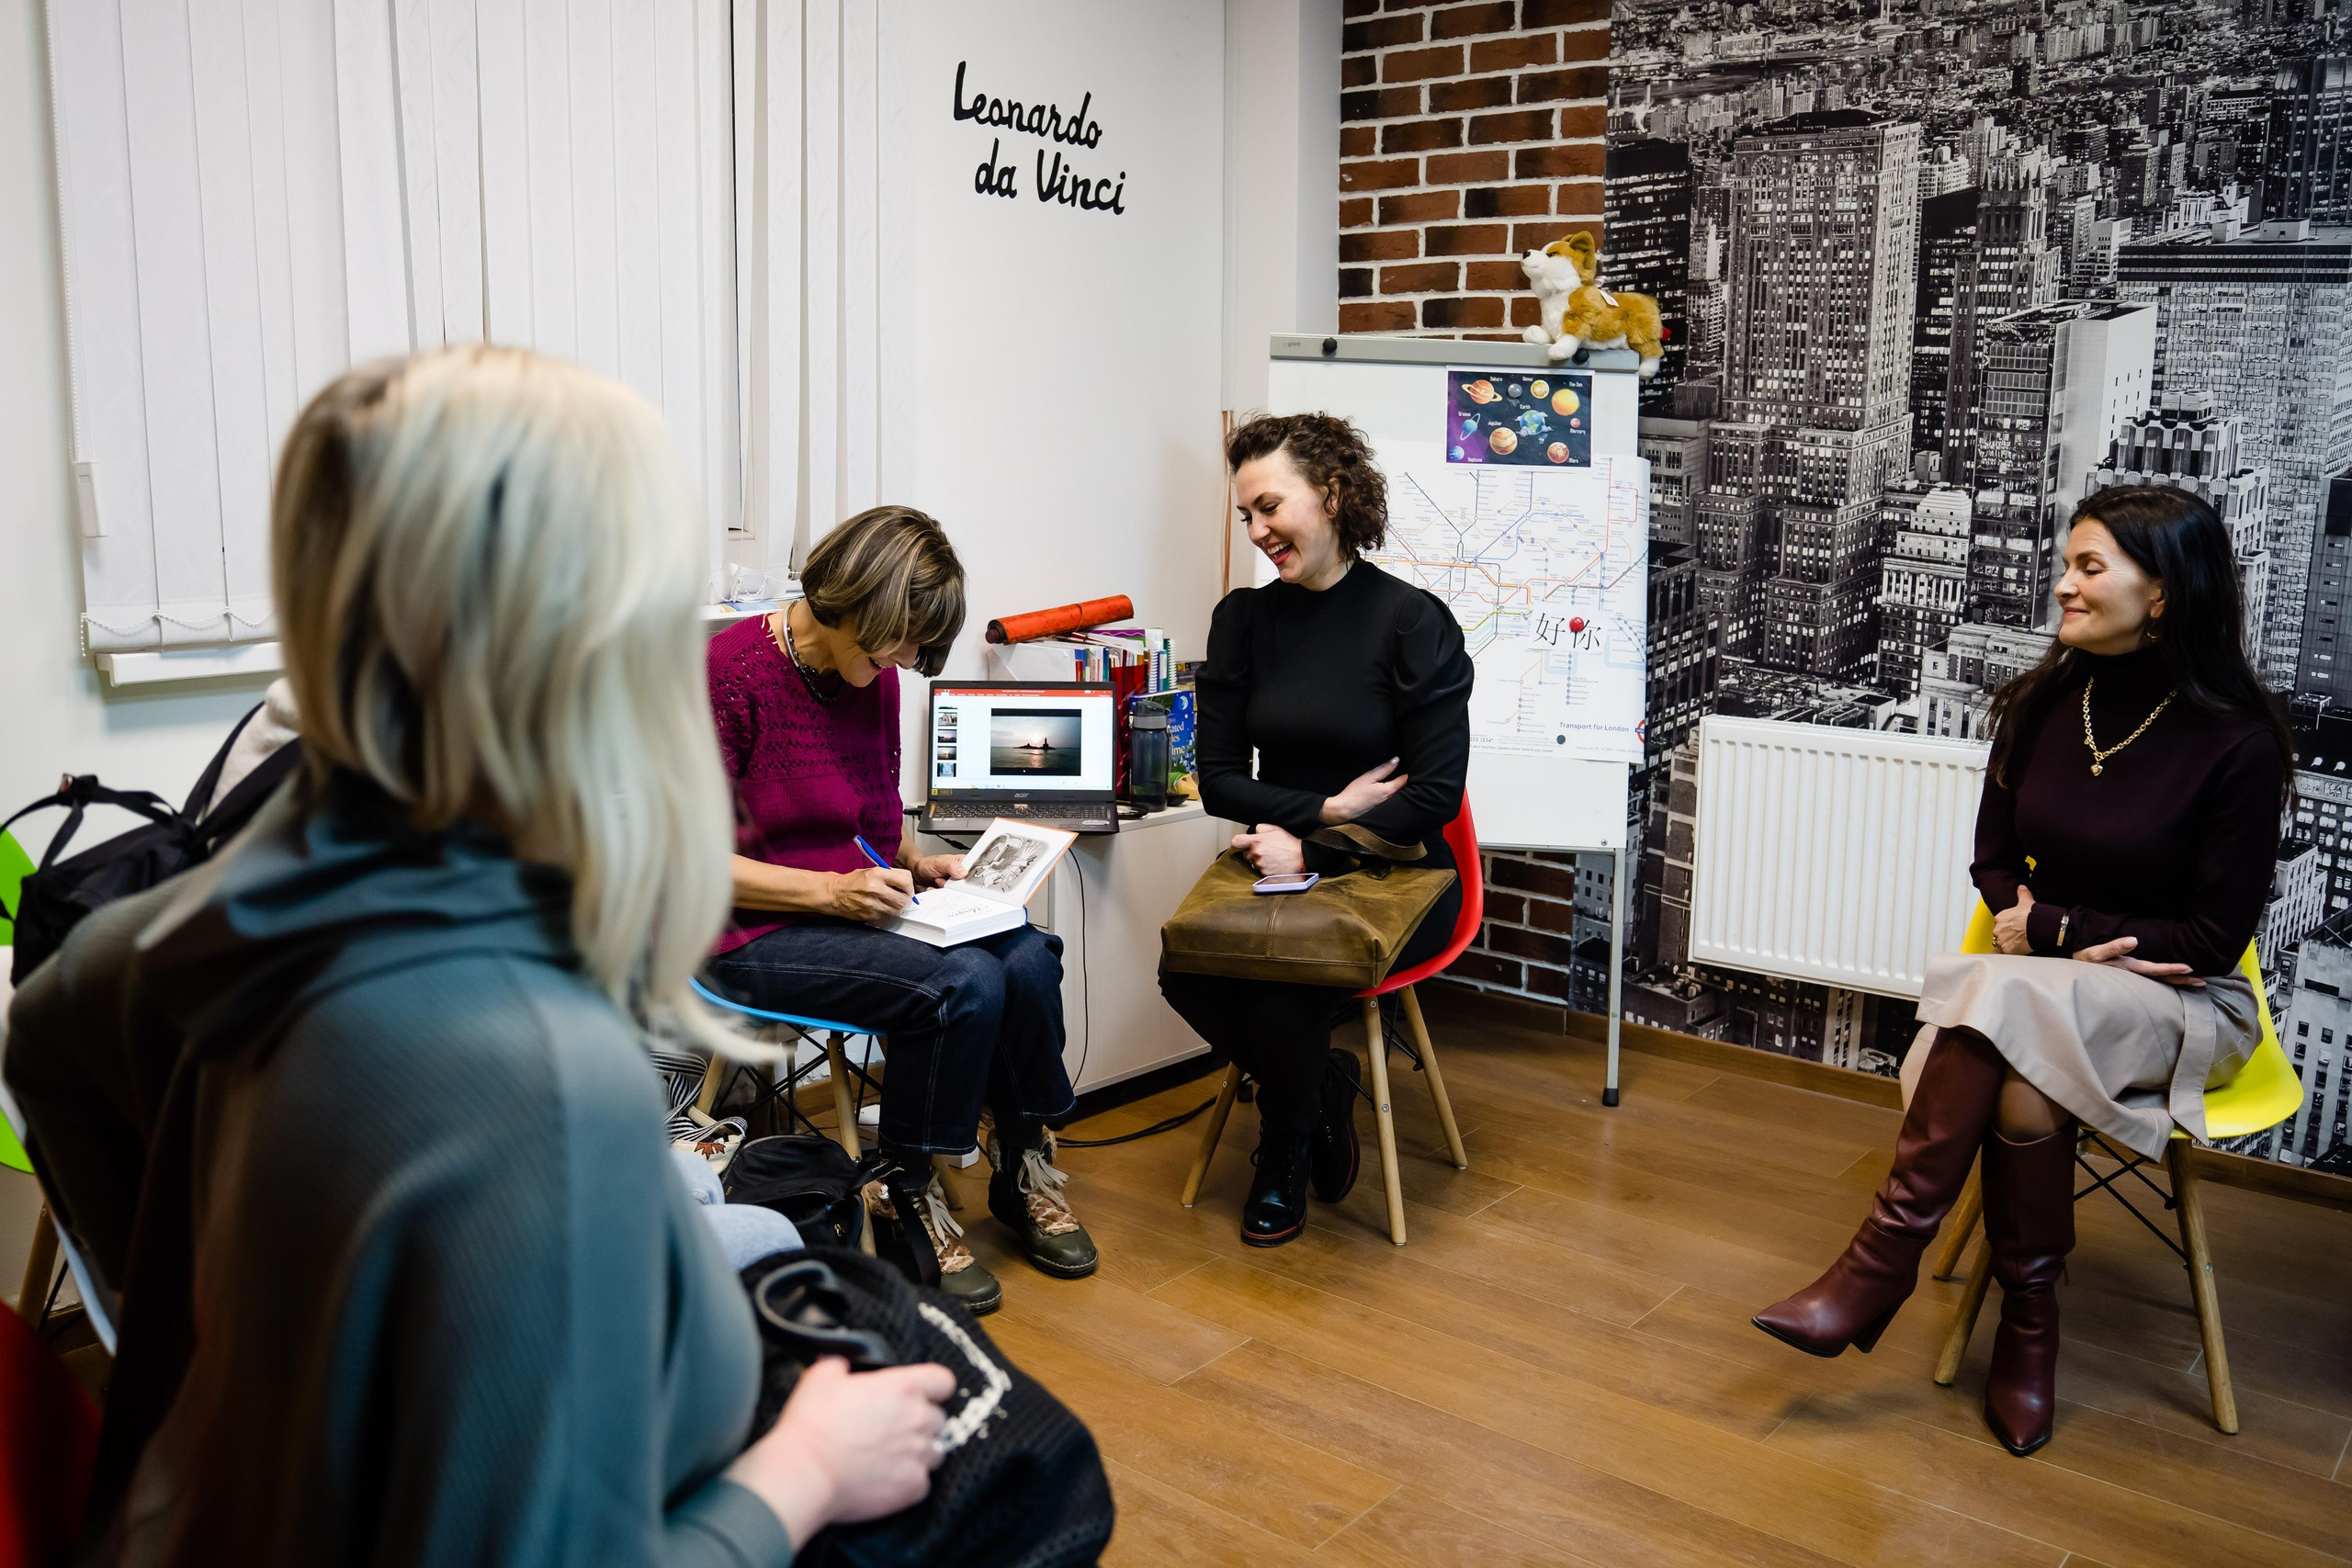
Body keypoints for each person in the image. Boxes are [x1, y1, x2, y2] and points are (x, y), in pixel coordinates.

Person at [6, 344, 956, 1564]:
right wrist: (804, 1470)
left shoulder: (187, 922)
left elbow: (45, 1034)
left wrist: (211, 1325)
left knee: (757, 1229)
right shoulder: (535, 1074)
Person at [1751, 485, 2291, 1459]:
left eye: (2089, 568)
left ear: (2162, 592)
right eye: (2067, 565)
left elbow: (2209, 939)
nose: (2061, 586)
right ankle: (2028, 1328)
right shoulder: (2044, 703)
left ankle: (1880, 1264)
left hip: (2180, 1003)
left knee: (1991, 997)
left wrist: (2058, 927)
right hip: (2047, 990)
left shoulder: (2237, 744)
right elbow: (1992, 861)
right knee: (2019, 1088)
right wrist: (2047, 937)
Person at [704, 507, 1098, 1316]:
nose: (910, 663)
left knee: (1025, 951)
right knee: (961, 984)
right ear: (857, 606)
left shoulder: (871, 675)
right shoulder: (730, 672)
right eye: (905, 642)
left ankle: (1024, 1164)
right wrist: (828, 891)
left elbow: (870, 827)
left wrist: (923, 864)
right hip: (751, 929)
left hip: (854, 909)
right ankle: (905, 1187)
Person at [1159, 412, 1475, 1247]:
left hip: (1397, 870)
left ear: (1331, 494)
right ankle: (1325, 1091)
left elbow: (1435, 795)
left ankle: (1284, 1148)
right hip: (1282, 855)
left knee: (1283, 984)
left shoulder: (1412, 623)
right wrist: (1324, 814)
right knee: (1185, 967)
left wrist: (1321, 844)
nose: (1258, 531)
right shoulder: (1245, 622)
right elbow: (1219, 779)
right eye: (1246, 516)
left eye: (1270, 507)